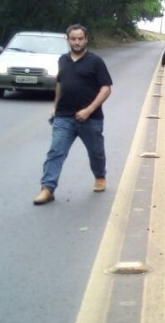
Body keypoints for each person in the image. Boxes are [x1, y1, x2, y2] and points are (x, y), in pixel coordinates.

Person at [33, 24, 113, 205]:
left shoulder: (96, 62)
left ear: (86, 39)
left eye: (80, 38)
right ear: (68, 40)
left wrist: (88, 110)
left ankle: (100, 176)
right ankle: (47, 188)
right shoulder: (62, 60)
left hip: (90, 119)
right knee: (55, 152)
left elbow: (106, 88)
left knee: (96, 153)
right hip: (64, 117)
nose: (76, 42)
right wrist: (55, 107)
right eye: (73, 39)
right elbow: (60, 84)